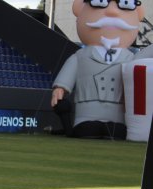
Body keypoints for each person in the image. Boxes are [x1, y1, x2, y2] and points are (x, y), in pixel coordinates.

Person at [50, 0, 153, 139]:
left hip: (118, 117)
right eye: (99, 2)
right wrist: (60, 88)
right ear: (78, 8)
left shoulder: (130, 58)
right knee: (87, 129)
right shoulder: (80, 57)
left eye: (125, 3)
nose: (112, 11)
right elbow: (67, 75)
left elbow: (145, 57)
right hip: (86, 113)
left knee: (118, 131)